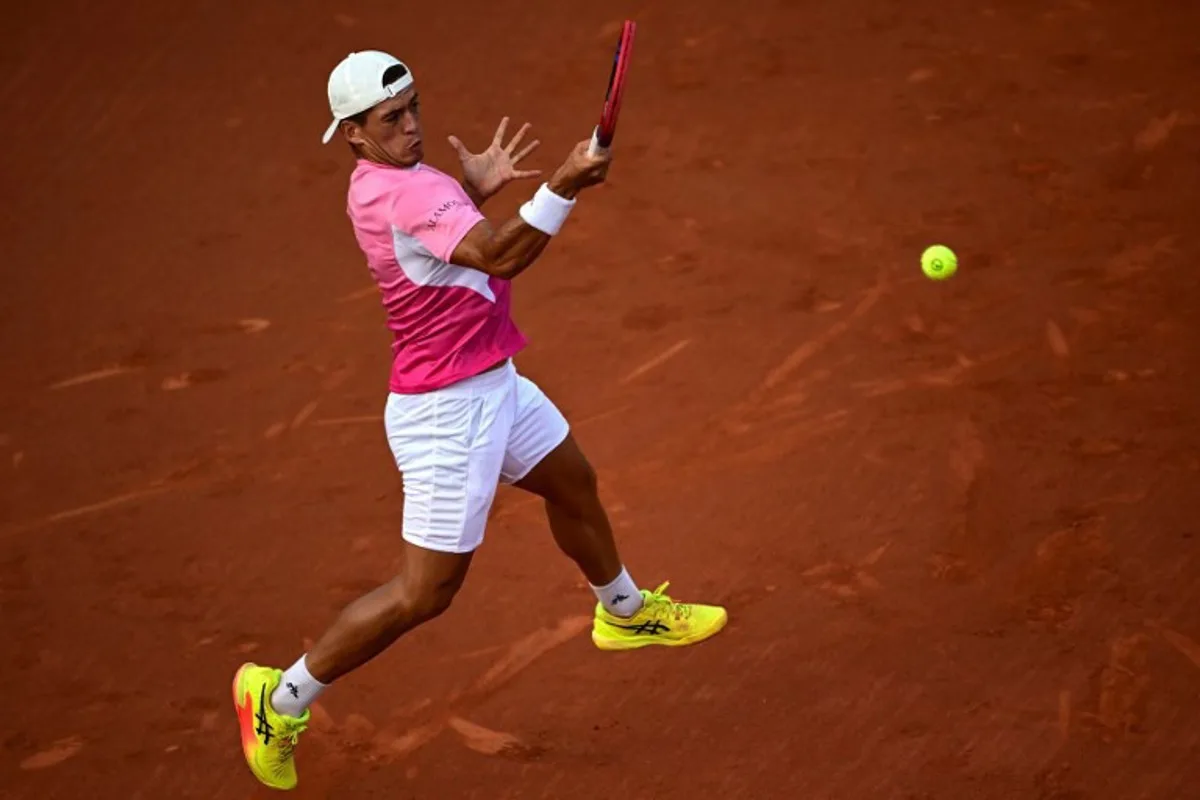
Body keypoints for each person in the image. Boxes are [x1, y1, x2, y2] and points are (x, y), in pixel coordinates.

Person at [231, 49, 728, 791]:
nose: (411, 127)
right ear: (355, 135)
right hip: (447, 413)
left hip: (492, 385)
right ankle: (279, 699)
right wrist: (562, 184)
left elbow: (445, 239)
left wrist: (467, 189)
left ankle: (622, 611)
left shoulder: (397, 182)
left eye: (413, 109)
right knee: (424, 593)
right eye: (391, 120)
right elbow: (499, 256)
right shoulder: (399, 194)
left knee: (574, 483)